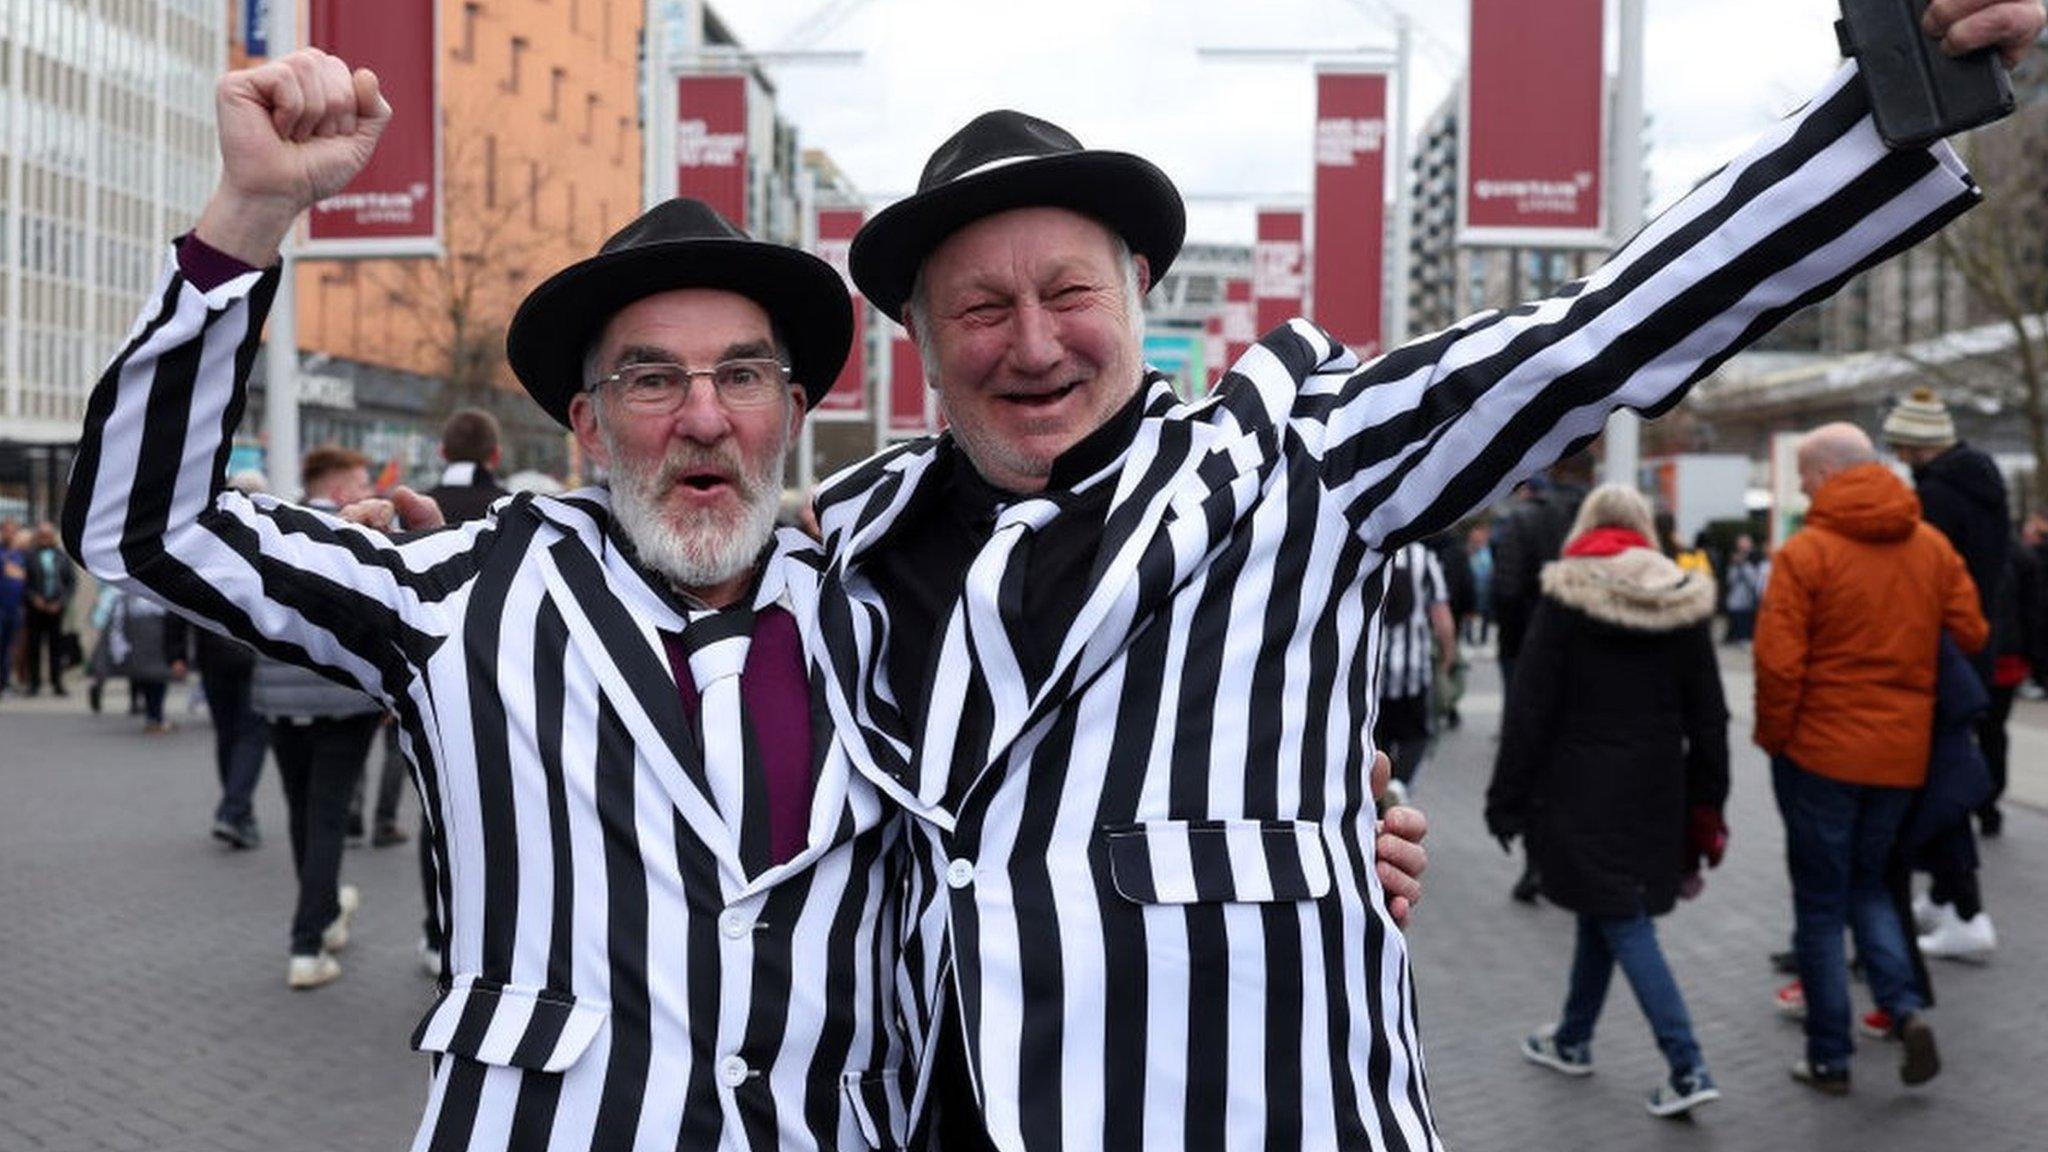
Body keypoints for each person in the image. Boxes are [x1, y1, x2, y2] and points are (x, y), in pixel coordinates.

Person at [819, 6, 2040, 1145]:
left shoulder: (1300, 459)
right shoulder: (845, 552)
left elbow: (1594, 333)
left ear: (1139, 290)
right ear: (920, 341)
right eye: (978, 309)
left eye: (1067, 291)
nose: (1031, 343)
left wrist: (1901, 92)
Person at [60, 51, 918, 1147]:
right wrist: (252, 211)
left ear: (790, 414)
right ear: (590, 429)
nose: (703, 417)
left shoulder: (891, 621)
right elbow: (144, 526)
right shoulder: (463, 597)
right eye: (651, 379)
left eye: (741, 376)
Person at [1754, 423, 1988, 1095]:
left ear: (1829, 474)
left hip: (1820, 754)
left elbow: (1778, 666)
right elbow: (1971, 630)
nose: (1800, 486)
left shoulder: (1807, 553)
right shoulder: (1932, 547)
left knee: (1822, 906)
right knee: (1871, 885)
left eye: (1803, 474)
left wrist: (1778, 739)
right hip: (1900, 756)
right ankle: (1905, 1007)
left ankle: (1830, 1057)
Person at [1485, 484, 1728, 1119]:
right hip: (1656, 788)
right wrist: (1709, 807)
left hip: (1578, 786)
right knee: (1607, 907)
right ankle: (1572, 1038)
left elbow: (1530, 708)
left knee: (1620, 914)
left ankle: (1687, 1063)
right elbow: (1709, 720)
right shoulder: (1683, 600)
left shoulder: (1566, 596)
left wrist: (1505, 799)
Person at [1881, 387, 2007, 958]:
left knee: (1941, 780)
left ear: (1916, 446)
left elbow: (1926, 581)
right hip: (1974, 646)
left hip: (1945, 653)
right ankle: (1945, 896)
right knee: (1949, 771)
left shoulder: (1936, 498)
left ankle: (1964, 908)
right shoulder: (1983, 486)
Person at [1376, 539, 1455, 801]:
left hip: (1373, 673)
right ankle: (1399, 787)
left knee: (1378, 738)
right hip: (1412, 670)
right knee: (1416, 736)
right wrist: (1448, 655)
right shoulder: (1423, 557)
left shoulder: (1368, 551)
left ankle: (1376, 792)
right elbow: (1441, 615)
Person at [22, 521, 75, 696]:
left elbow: (70, 583)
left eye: (48, 535)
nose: (45, 538)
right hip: (35, 608)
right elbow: (24, 581)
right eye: (42, 535)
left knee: (56, 647)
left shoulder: (61, 556)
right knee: (34, 646)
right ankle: (34, 683)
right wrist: (33, 598)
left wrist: (60, 602)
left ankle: (57, 682)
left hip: (55, 607)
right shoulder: (29, 556)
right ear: (38, 537)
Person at [1721, 533, 1768, 644]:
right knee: (1738, 636)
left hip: (1750, 603)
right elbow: (1730, 580)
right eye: (1740, 543)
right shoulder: (1733, 559)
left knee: (1747, 637)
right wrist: (1736, 565)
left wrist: (1744, 565)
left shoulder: (1757, 558)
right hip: (1736, 603)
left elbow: (1755, 581)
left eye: (1745, 543)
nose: (1743, 546)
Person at [0, 525, 27, 696]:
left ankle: (5, 681)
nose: (12, 535)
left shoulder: (21, 555)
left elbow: (24, 575)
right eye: (7, 531)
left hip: (15, 608)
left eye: (14, 532)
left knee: (9, 647)